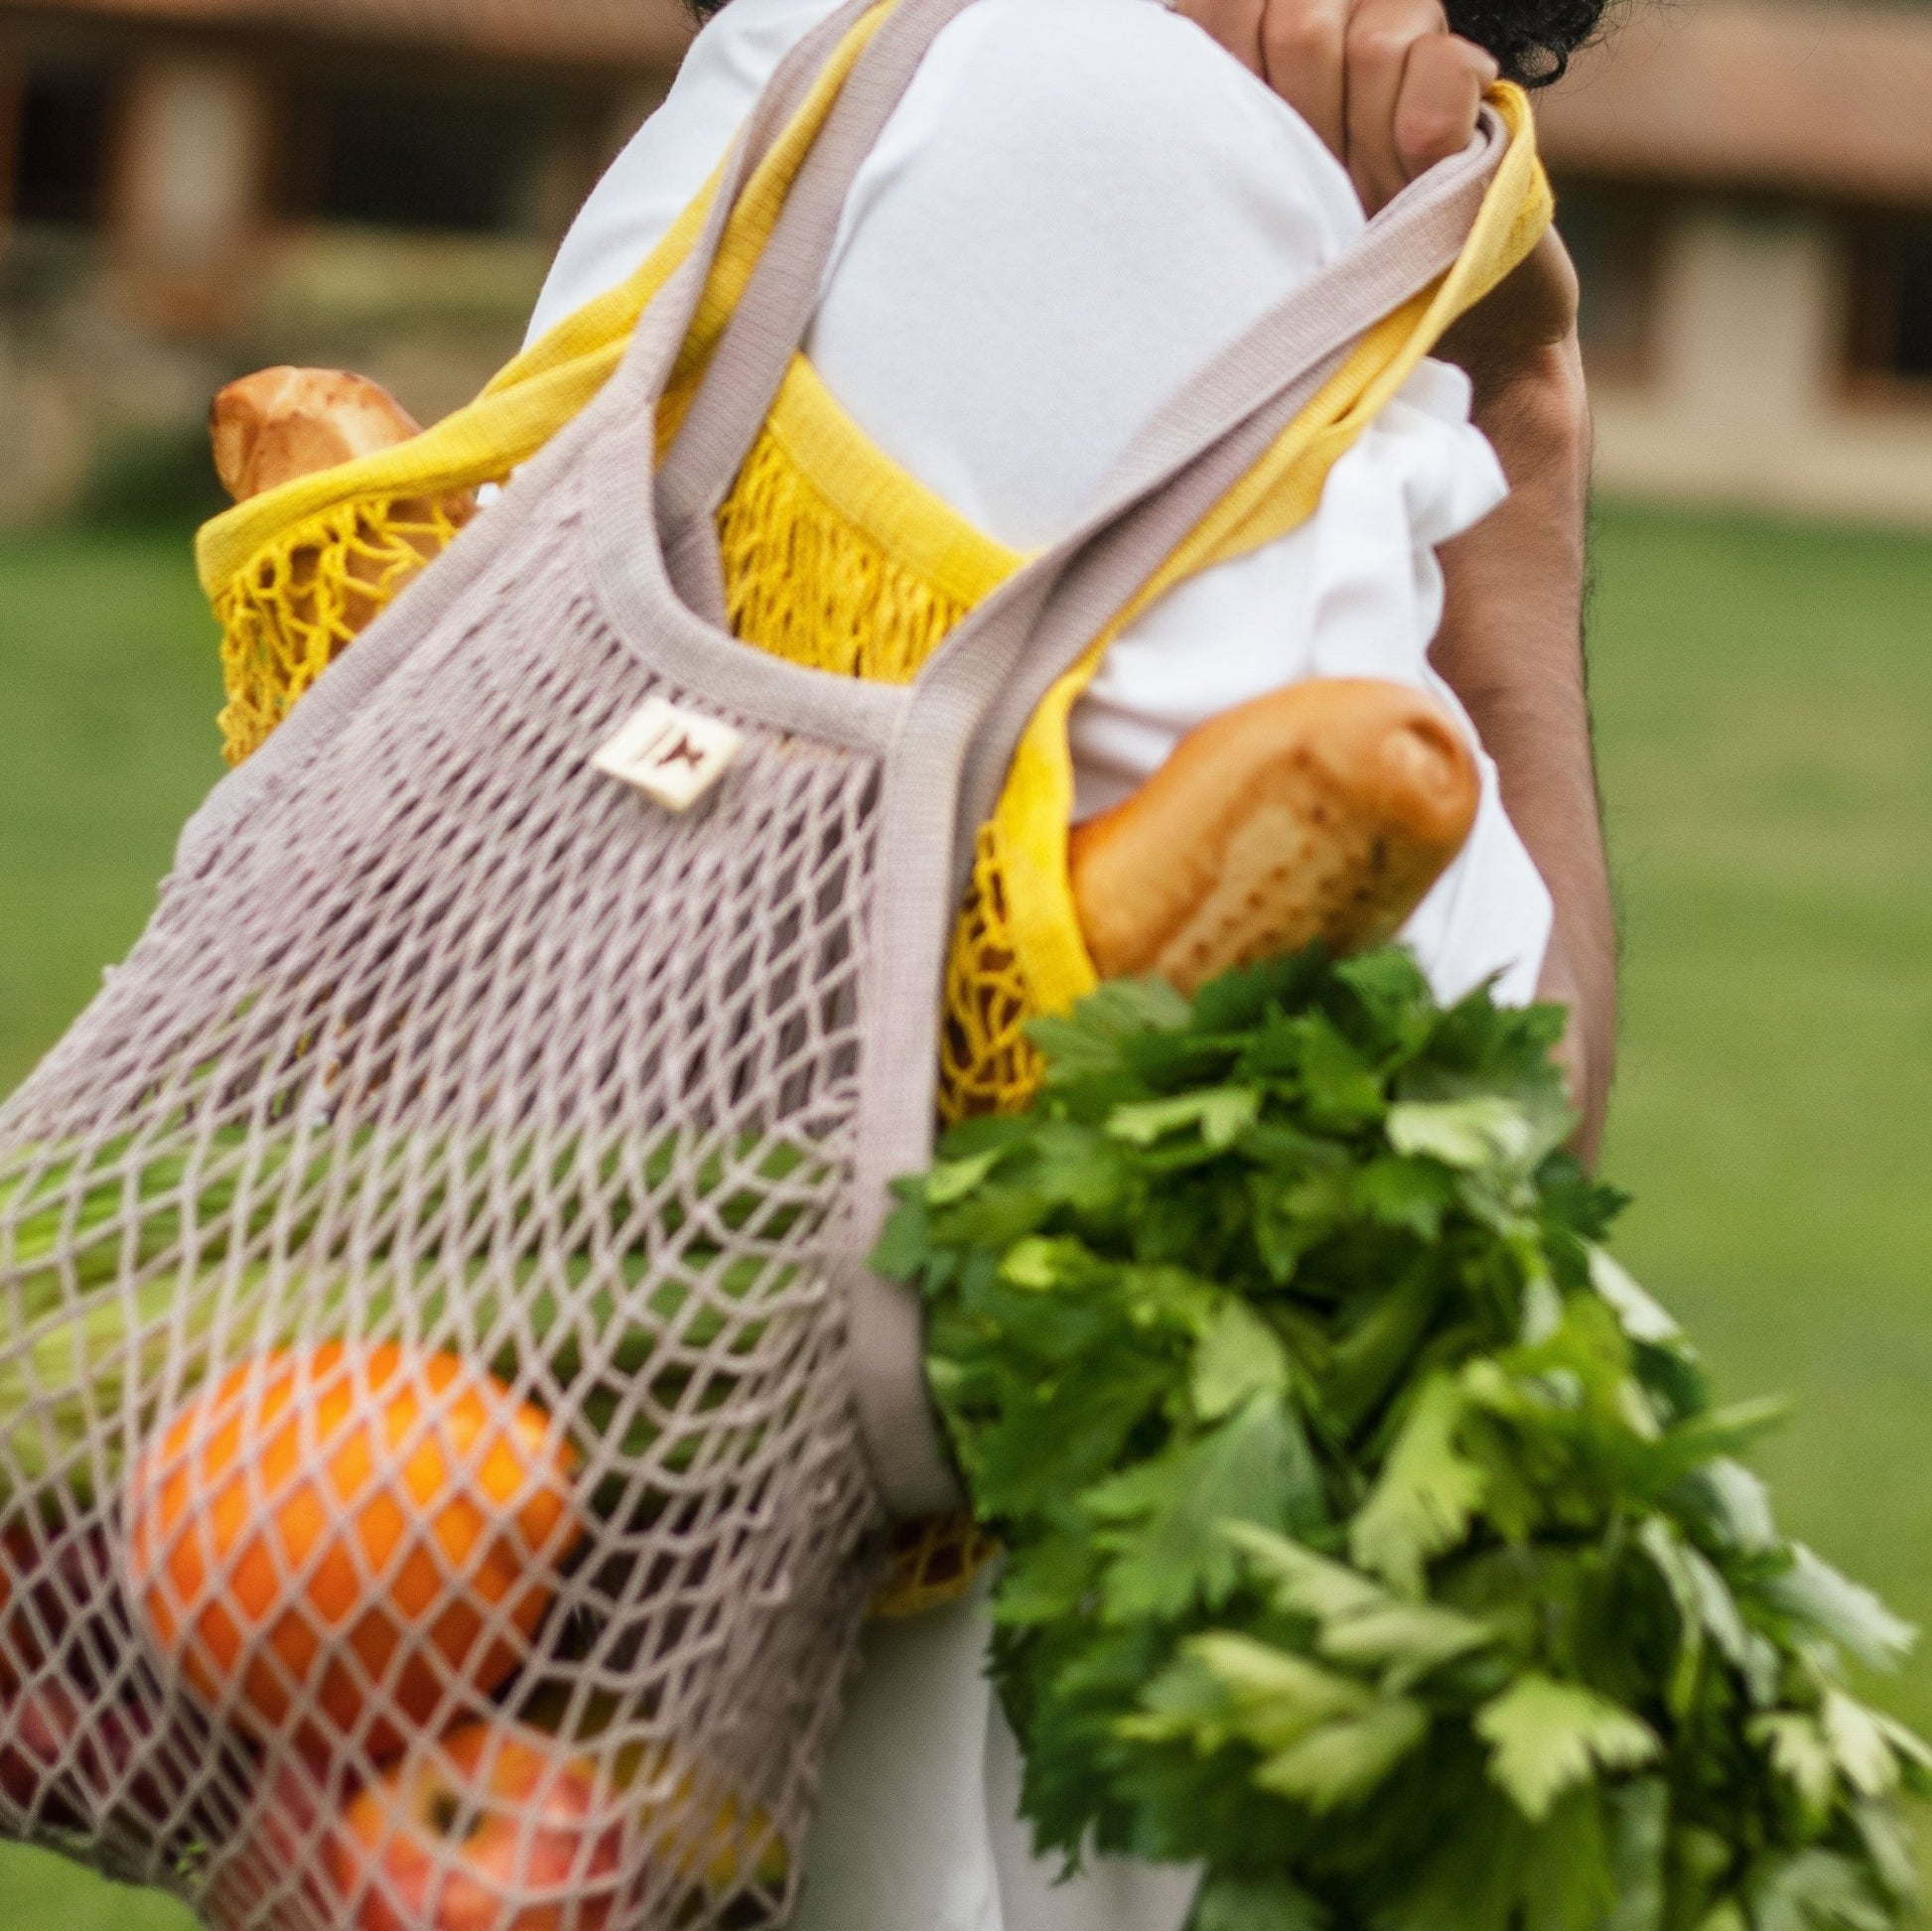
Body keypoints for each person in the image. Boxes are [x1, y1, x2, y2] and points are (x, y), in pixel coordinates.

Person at [521, 2, 1617, 1928]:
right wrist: (1521, 479)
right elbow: (1470, 1171)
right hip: (889, 1801)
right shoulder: (1127, 124)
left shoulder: (805, 54)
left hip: (542, 1698)